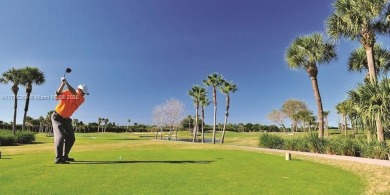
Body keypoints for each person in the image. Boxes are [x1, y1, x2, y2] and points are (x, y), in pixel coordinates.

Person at [51, 77, 89, 164]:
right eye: (83, 92)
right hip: (57, 117)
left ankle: (65, 156)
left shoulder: (81, 99)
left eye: (84, 93)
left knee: (71, 138)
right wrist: (62, 84)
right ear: (79, 89)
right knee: (60, 137)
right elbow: (57, 95)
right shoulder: (67, 93)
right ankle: (58, 158)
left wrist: (67, 83)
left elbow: (74, 94)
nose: (84, 95)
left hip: (66, 119)